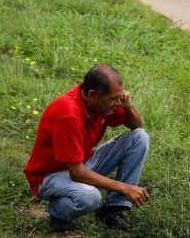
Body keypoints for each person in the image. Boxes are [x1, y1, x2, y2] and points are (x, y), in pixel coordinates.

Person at [24, 64, 150, 232]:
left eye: (120, 97)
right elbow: (76, 173)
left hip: (81, 162)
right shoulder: (68, 114)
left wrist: (128, 107)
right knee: (90, 197)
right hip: (49, 176)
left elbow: (136, 125)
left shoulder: (100, 103)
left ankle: (112, 210)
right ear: (92, 95)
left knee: (140, 137)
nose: (117, 103)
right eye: (114, 99)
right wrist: (124, 187)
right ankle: (58, 211)